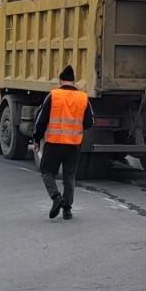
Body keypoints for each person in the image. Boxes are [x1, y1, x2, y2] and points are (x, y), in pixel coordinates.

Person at [32, 64, 93, 220]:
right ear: (74, 82)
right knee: (69, 177)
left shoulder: (53, 95)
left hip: (54, 143)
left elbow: (41, 120)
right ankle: (67, 210)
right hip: (73, 144)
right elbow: (89, 122)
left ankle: (56, 197)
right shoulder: (83, 98)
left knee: (46, 172)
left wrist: (37, 139)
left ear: (60, 81)